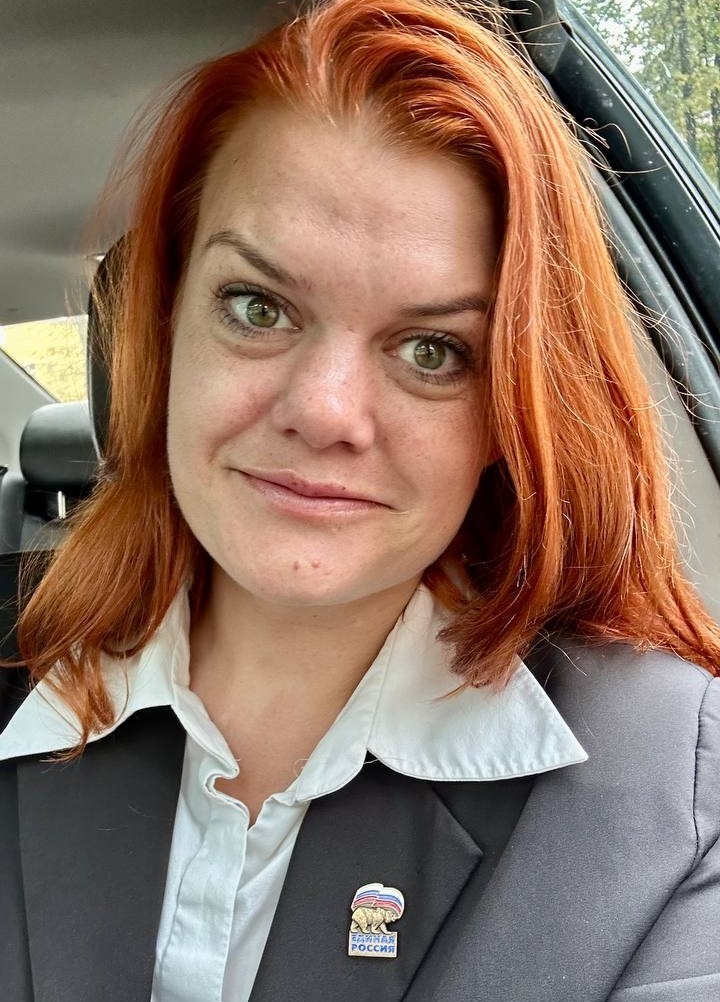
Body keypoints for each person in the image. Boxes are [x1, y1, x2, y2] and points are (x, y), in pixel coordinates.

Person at [1, 0, 719, 999]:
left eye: (432, 351)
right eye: (257, 306)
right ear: (164, 329)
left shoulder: (676, 792)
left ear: (513, 406)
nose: (325, 412)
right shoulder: (21, 667)